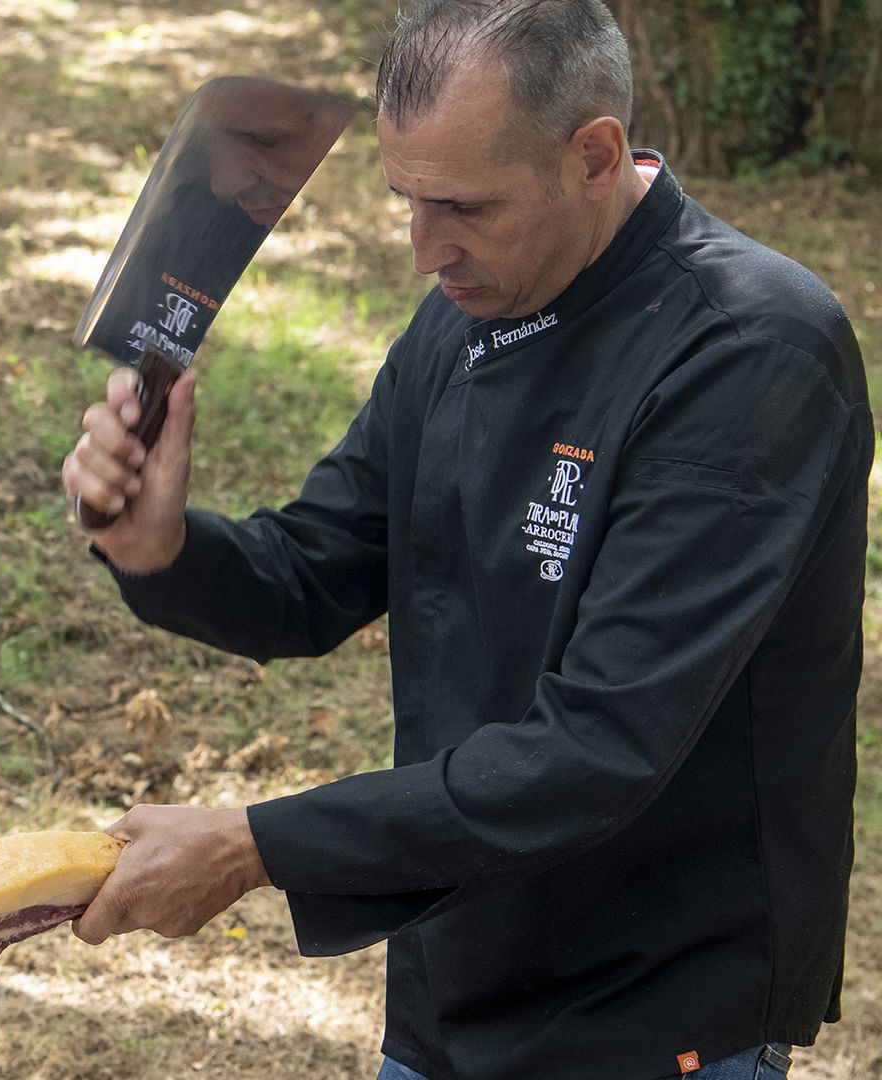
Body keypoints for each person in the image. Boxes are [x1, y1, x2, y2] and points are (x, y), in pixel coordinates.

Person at [62, 2, 866, 1078]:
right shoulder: (470, 307)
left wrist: (256, 846)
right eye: (406, 199)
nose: (420, 250)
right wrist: (162, 549)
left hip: (654, 1008)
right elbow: (314, 571)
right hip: (457, 980)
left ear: (594, 155)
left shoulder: (749, 354)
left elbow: (600, 746)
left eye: (462, 207)